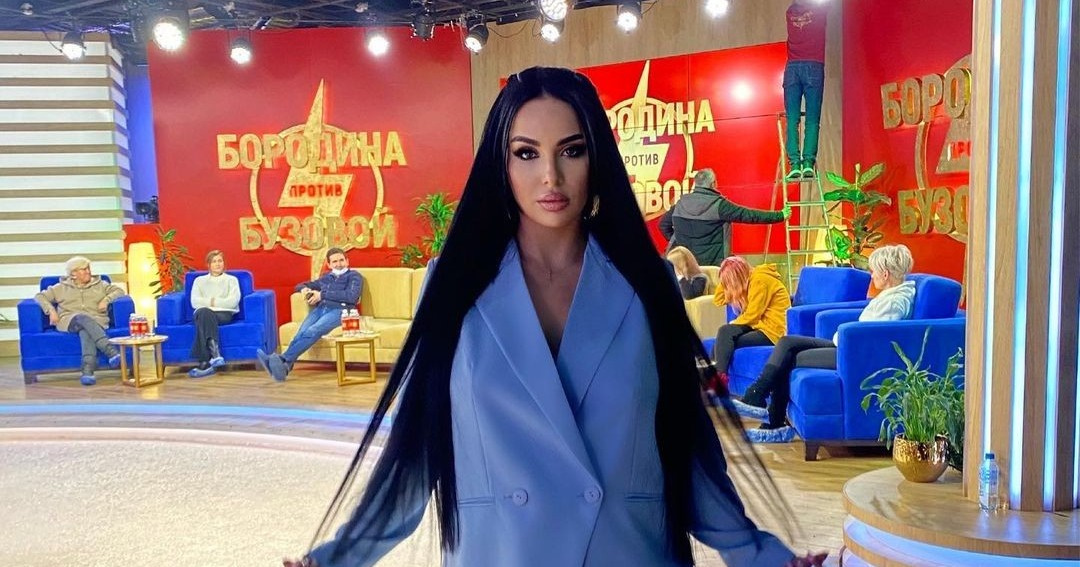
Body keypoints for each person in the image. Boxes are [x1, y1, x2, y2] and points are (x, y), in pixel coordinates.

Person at [285, 67, 824, 567]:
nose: (550, 176)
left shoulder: (646, 281)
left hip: (628, 550)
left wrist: (760, 555)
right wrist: (338, 557)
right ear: (500, 164)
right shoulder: (453, 284)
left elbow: (688, 444)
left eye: (571, 150)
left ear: (597, 158)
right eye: (526, 153)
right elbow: (417, 447)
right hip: (500, 553)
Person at [735, 245, 917, 443]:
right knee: (787, 342)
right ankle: (757, 395)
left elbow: (874, 337)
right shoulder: (891, 294)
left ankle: (772, 421)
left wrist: (846, 335)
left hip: (853, 355)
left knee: (789, 358)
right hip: (844, 345)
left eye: (874, 272)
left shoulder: (894, 302)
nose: (872, 276)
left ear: (885, 273)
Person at [257, 247, 362, 382]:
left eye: (341, 260)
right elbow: (300, 285)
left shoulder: (354, 276)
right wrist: (304, 290)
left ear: (347, 261)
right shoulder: (326, 277)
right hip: (321, 309)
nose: (339, 264)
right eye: (335, 262)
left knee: (313, 330)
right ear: (329, 264)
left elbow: (351, 296)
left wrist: (322, 295)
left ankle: (282, 359)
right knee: (300, 333)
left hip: (341, 310)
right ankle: (284, 368)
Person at [659, 168, 791, 266]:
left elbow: (663, 225)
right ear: (713, 184)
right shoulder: (719, 205)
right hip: (714, 267)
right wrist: (780, 215)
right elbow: (750, 216)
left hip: (684, 266)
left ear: (696, 184)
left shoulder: (681, 204)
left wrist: (678, 242)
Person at [33, 256, 124, 386]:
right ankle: (110, 350)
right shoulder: (60, 287)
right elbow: (40, 296)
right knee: (82, 318)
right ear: (73, 274)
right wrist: (51, 311)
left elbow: (119, 291)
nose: (88, 271)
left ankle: (88, 371)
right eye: (83, 269)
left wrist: (106, 300)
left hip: (96, 320)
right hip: (69, 321)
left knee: (85, 331)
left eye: (88, 268)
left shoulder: (100, 284)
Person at [710, 257, 791, 392]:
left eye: (730, 281)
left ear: (738, 275)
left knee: (723, 342)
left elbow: (753, 315)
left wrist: (734, 322)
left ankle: (718, 383)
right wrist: (725, 281)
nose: (729, 286)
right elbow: (718, 300)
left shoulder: (760, 280)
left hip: (772, 330)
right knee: (724, 333)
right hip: (757, 325)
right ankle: (715, 380)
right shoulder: (748, 280)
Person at [783, 0, 828, 181]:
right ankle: (808, 162)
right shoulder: (819, 9)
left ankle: (794, 163)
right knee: (812, 120)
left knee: (792, 119)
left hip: (792, 68)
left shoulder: (790, 12)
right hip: (814, 65)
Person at [187, 250, 241, 378]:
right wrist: (220, 302)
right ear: (208, 265)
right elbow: (194, 302)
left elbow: (232, 302)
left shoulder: (231, 280)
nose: (217, 264)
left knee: (204, 315)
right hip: (202, 313)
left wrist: (210, 302)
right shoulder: (199, 281)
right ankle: (216, 355)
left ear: (224, 263)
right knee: (204, 313)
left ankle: (205, 360)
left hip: (223, 314)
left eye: (220, 261)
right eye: (214, 261)